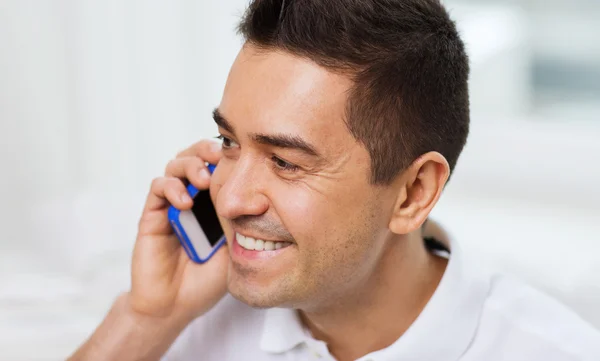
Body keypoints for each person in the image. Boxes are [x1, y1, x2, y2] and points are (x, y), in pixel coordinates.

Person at [68, 0, 600, 360]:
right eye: (230, 142)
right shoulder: (194, 314)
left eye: (286, 162)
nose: (228, 199)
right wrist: (145, 318)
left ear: (414, 193)